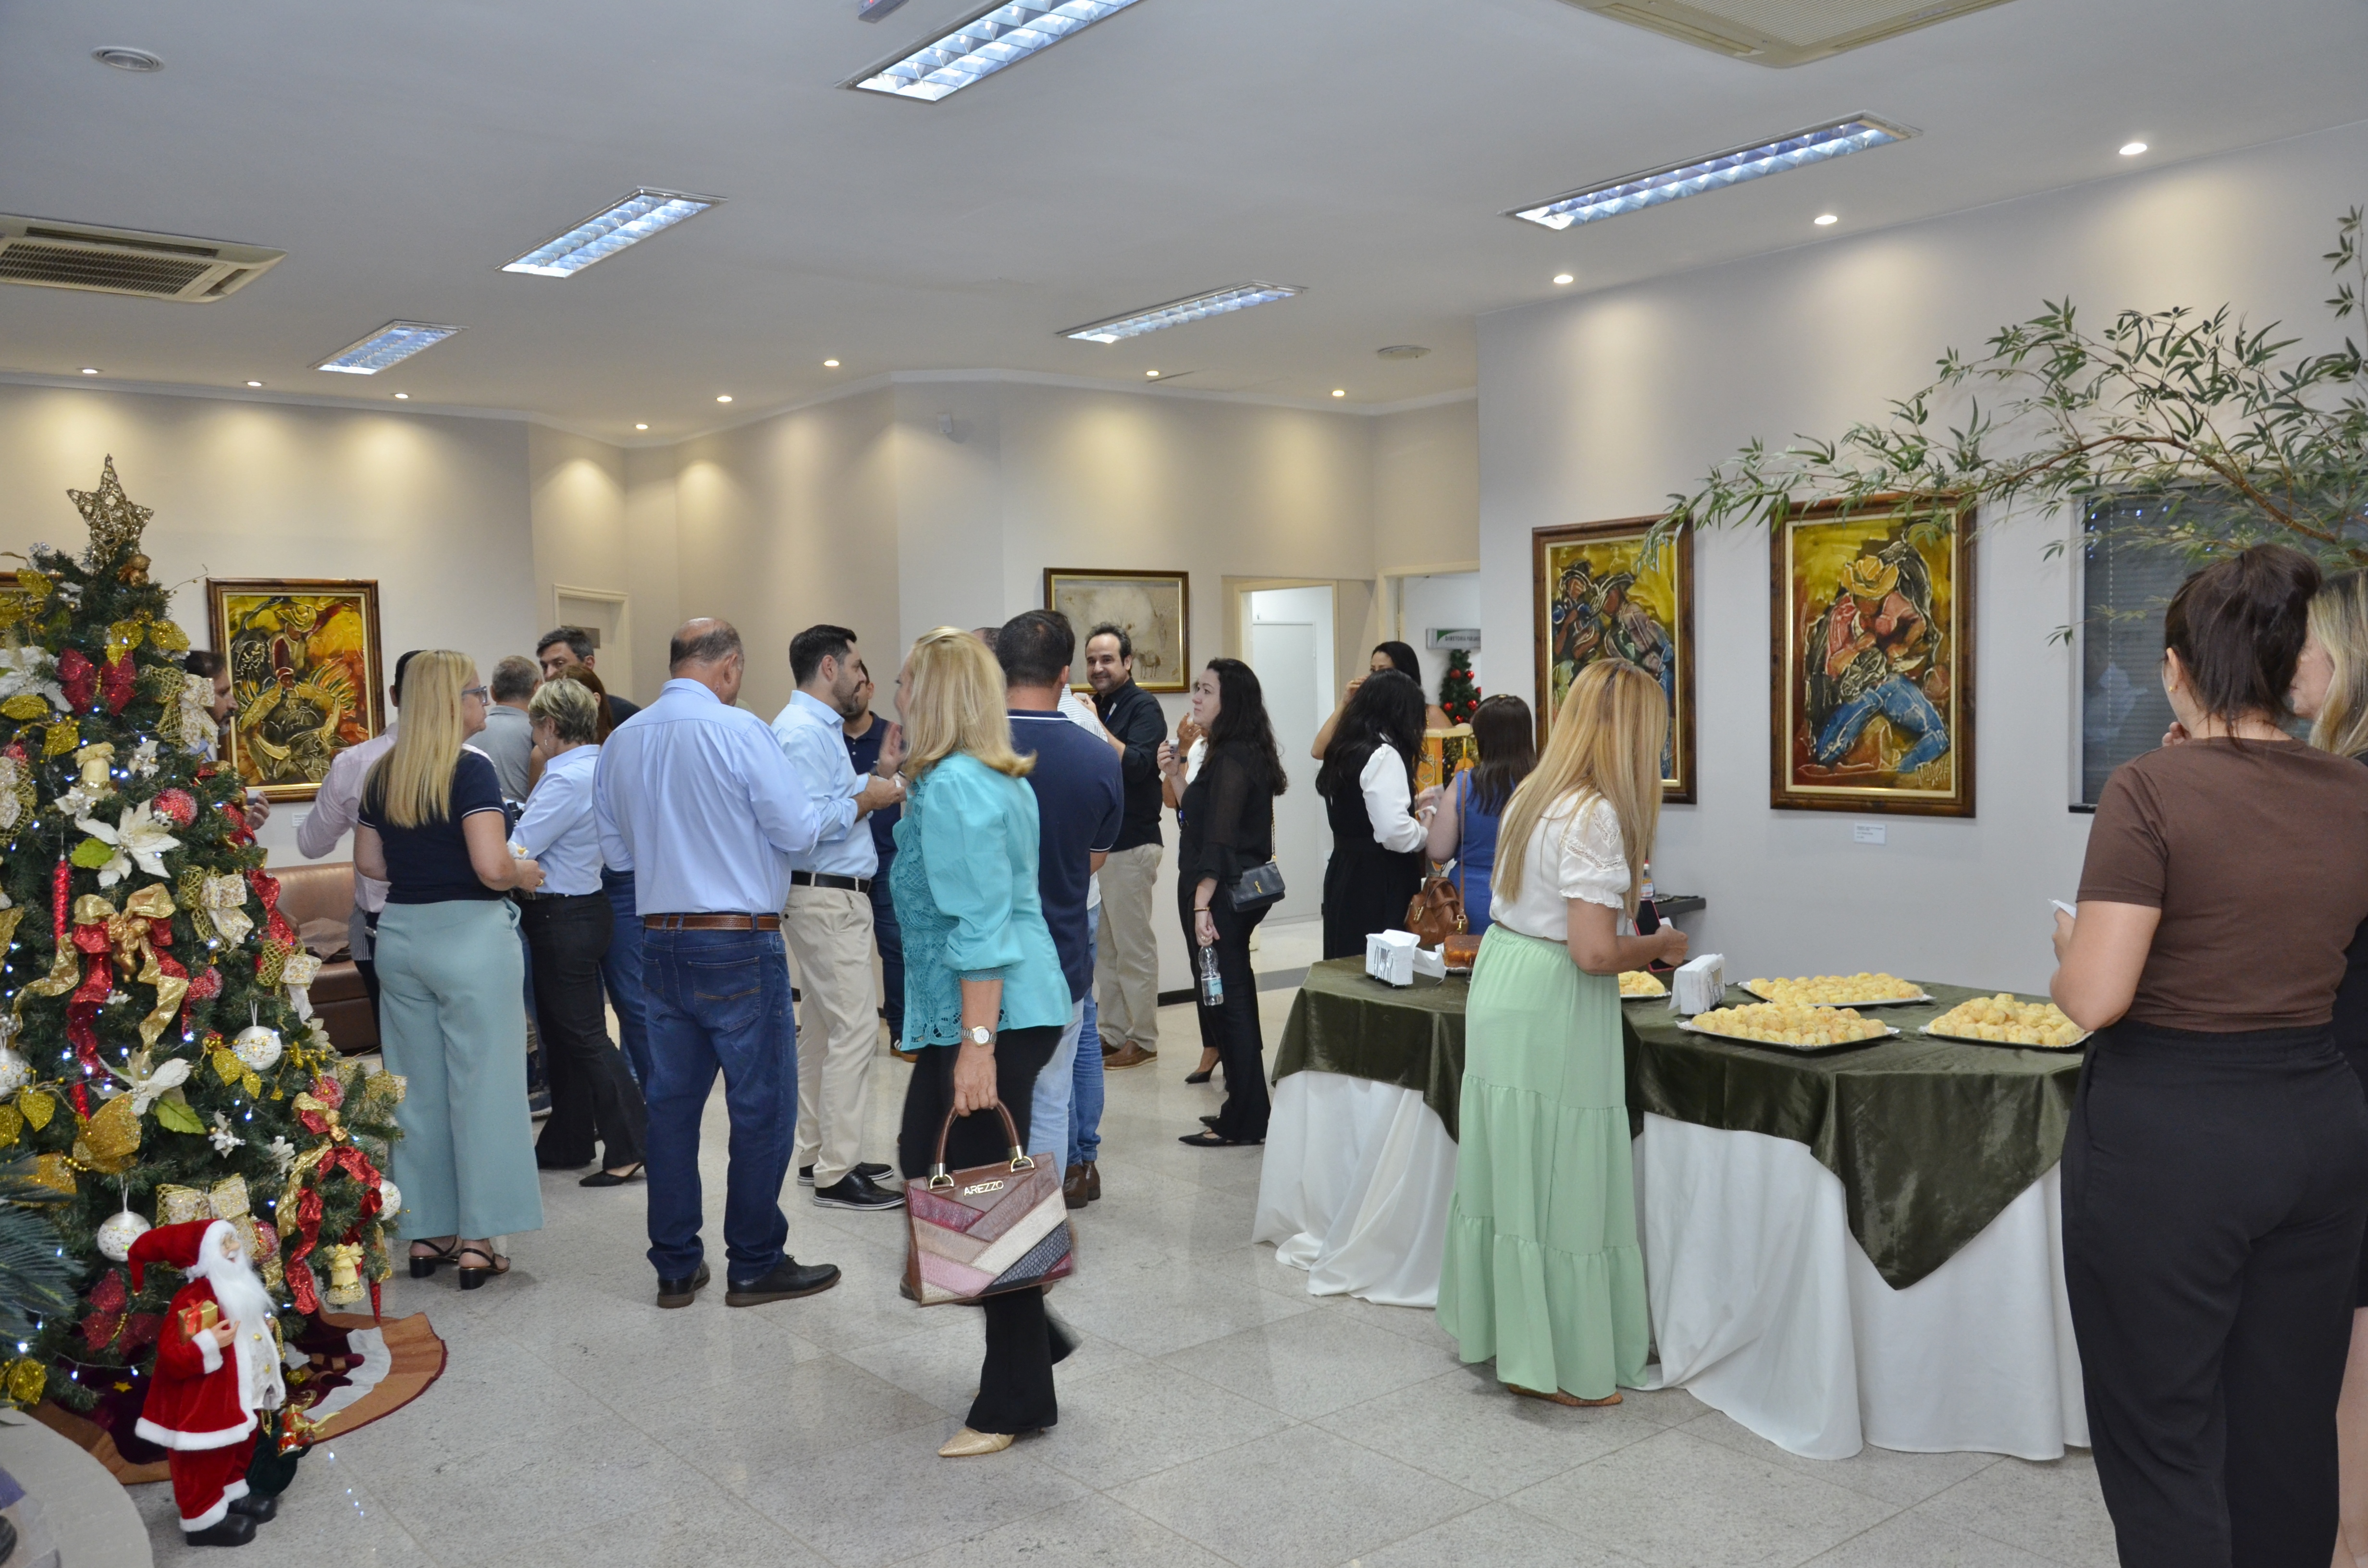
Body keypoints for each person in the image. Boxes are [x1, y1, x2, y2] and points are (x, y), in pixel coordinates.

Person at [2050, 545, 2368, 1567]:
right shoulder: (2352, 790)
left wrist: (2066, 946)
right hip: (2318, 1125)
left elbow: (2095, 996)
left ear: (2176, 669)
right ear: (2289, 668)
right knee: (2287, 1425)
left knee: (2164, 1437)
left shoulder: (2148, 789)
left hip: (2171, 1139)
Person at [1436, 659, 1681, 1407]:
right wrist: (1661, 946)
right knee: (1562, 1177)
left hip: (1506, 977)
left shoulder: (1533, 795)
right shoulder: (1595, 815)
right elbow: (1595, 952)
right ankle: (1555, 1361)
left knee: (1513, 1169)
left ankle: (1512, 1337)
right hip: (1554, 998)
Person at [595, 618, 841, 1311]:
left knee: (671, 1109)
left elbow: (617, 857)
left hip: (659, 940)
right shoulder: (741, 731)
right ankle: (755, 1262)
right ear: (729, 666)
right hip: (738, 942)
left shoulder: (622, 740)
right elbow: (797, 831)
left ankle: (676, 1266)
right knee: (760, 1108)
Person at [888, 627, 1076, 1458]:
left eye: (906, 682)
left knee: (982, 1198)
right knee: (927, 1160)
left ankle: (1014, 1399)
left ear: (936, 694)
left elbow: (981, 926)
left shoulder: (959, 787)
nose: (896, 695)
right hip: (997, 1005)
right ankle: (1034, 1333)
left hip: (993, 1009)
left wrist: (976, 1045)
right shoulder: (980, 776)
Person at [353, 650, 546, 1289]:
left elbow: (371, 864)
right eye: (474, 691)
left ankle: (428, 1232)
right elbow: (493, 867)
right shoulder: (470, 770)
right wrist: (523, 873)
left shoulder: (384, 773)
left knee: (416, 1095)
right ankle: (480, 1241)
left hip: (401, 939)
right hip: (469, 939)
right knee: (484, 1090)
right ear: (450, 702)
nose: (482, 701)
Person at [772, 625, 907, 1212]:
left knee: (823, 1032)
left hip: (823, 897)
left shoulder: (813, 728)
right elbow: (805, 825)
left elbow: (825, 797)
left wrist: (875, 777)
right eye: (854, 665)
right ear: (829, 667)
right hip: (827, 897)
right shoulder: (803, 732)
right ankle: (837, 1172)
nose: (860, 676)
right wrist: (870, 798)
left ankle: (816, 1153)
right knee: (856, 1030)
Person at [997, 612, 1123, 1204]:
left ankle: (986, 1222)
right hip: (1060, 952)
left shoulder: (968, 753)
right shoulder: (1098, 757)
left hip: (981, 957)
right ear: (1065, 674)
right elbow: (1092, 860)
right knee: (1049, 1098)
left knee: (981, 1096)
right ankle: (1038, 1224)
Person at [511, 676, 647, 1187]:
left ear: (550, 725)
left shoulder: (566, 779)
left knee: (583, 1036)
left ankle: (632, 1143)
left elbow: (519, 849)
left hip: (561, 916)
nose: (533, 737)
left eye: (534, 726)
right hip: (586, 908)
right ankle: (568, 1141)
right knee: (566, 1035)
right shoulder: (601, 768)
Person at [1157, 658, 1285, 1147]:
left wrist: (1201, 905)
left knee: (1230, 1004)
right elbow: (1197, 811)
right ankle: (1244, 1107)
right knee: (1230, 998)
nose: (1195, 698)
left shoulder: (1234, 757)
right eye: (1196, 688)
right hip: (1224, 893)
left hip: (1223, 895)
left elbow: (1220, 839)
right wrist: (1175, 773)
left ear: (1230, 702)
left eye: (1206, 691)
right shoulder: (1229, 750)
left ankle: (1247, 1119)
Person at [127, 1219, 288, 1546]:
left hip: (242, 1394)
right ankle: (202, 1519)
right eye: (223, 1244)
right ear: (203, 1257)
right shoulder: (193, 1298)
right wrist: (209, 1342)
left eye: (233, 1240)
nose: (234, 1248)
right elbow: (173, 1355)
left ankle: (232, 1493)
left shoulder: (237, 1287)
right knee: (204, 1460)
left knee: (239, 1447)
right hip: (206, 1402)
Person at [296, 651, 419, 1017]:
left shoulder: (354, 763)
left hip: (381, 924)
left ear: (394, 695)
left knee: (395, 1035)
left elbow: (312, 845)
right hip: (456, 922)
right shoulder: (472, 759)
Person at [1084, 624, 1164, 1069]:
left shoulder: (1143, 706)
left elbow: (1137, 765)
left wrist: (1094, 726)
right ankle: (1113, 1032)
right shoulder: (1095, 705)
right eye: (1092, 660)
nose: (1098, 668)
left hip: (1132, 845)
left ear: (1128, 662)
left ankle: (1144, 1038)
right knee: (1108, 950)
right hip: (1100, 846)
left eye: (1107, 659)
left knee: (1134, 948)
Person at [1316, 668, 1436, 960]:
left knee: (1347, 959)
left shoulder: (1343, 747)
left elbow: (1360, 806)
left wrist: (1410, 803)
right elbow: (1394, 833)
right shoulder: (1384, 754)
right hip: (1379, 878)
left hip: (1344, 868)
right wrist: (1424, 830)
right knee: (1381, 965)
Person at [1424, 694, 1538, 936]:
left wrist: (1429, 818)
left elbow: (1438, 851)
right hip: (1530, 900)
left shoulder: (1464, 784)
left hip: (1471, 904)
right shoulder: (1543, 785)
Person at [843, 673, 910, 1062]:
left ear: (871, 689)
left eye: (862, 683)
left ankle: (900, 1032)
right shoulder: (827, 738)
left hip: (886, 858)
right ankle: (846, 1034)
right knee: (843, 952)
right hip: (841, 864)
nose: (856, 691)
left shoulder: (892, 736)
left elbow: (907, 786)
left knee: (895, 947)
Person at [1311, 641, 1450, 757]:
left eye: (1383, 670)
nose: (1375, 678)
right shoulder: (1365, 714)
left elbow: (1452, 760)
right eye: (1373, 671)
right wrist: (1345, 703)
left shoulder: (1429, 714)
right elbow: (1319, 752)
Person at [181, 649, 270, 827]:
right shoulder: (173, 759)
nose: (234, 705)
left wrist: (242, 824)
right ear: (194, 697)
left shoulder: (200, 750)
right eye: (223, 693)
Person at [538, 626, 640, 726]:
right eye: (545, 666)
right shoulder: (541, 715)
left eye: (559, 664)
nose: (549, 673)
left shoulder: (626, 716)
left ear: (588, 664)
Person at [478, 655, 540, 804]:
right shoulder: (542, 735)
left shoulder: (468, 732)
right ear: (537, 688)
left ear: (492, 692)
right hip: (524, 816)